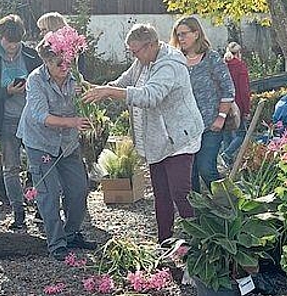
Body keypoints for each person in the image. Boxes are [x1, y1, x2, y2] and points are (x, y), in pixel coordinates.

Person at [82, 24, 204, 243]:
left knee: (180, 194)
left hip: (179, 138)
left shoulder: (170, 64)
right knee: (161, 194)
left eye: (135, 50)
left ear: (151, 45)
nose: (133, 55)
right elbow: (124, 81)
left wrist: (110, 91)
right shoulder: (143, 60)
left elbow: (150, 96)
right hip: (157, 139)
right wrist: (94, 88)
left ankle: (200, 243)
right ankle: (164, 242)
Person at [16, 28, 97, 261]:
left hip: (68, 143)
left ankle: (72, 233)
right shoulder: (35, 80)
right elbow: (42, 116)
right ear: (47, 62)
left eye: (68, 62)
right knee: (48, 193)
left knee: (79, 189)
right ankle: (56, 243)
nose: (65, 67)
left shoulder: (75, 77)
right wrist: (73, 121)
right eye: (59, 63)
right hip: (40, 142)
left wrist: (87, 99)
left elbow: (83, 101)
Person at [0, 14, 41, 229]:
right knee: (11, 168)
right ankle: (18, 212)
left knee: (39, 164)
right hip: (5, 119)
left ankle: (41, 208)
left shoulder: (32, 56)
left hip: (32, 119)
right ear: (1, 37)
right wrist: (7, 91)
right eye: (8, 42)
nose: (13, 47)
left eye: (16, 43)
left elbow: (44, 81)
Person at [170, 16, 236, 191]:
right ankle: (196, 215)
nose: (181, 39)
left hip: (210, 125)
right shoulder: (175, 61)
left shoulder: (211, 58)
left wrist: (220, 118)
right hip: (185, 129)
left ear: (196, 33)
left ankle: (226, 207)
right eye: (178, 35)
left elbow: (228, 90)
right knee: (188, 175)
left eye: (184, 34)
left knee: (206, 169)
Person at [221, 42, 251, 165]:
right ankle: (227, 154)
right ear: (239, 53)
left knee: (226, 134)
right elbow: (244, 90)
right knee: (242, 134)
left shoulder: (222, 65)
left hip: (223, 104)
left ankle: (228, 164)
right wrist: (247, 110)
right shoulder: (240, 66)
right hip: (237, 105)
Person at [36, 12, 87, 77]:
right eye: (41, 30)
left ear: (53, 27)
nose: (41, 33)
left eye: (44, 29)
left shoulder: (74, 47)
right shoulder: (43, 48)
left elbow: (80, 71)